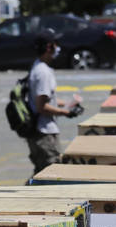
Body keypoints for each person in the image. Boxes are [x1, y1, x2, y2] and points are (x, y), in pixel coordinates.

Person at [26, 29, 81, 175]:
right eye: (56, 44)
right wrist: (66, 113)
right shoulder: (43, 72)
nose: (58, 48)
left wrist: (67, 103)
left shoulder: (38, 66)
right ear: (49, 47)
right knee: (51, 176)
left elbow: (44, 98)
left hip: (39, 133)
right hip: (44, 134)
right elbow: (42, 106)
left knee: (41, 174)